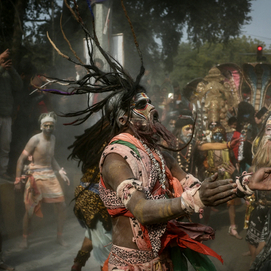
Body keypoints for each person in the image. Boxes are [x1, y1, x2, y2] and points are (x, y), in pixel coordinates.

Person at [14, 112, 70, 249]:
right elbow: (21, 160)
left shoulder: (54, 139)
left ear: (54, 127)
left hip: (50, 175)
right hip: (36, 176)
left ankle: (59, 236)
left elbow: (51, 158)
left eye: (51, 125)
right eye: (46, 125)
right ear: (41, 126)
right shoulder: (35, 140)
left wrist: (60, 171)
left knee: (62, 207)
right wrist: (17, 180)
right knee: (30, 210)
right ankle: (24, 239)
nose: (49, 128)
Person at [0, 48, 23, 180]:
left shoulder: (8, 71)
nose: (5, 61)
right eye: (3, 58)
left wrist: (12, 69)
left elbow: (19, 85)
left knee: (5, 146)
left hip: (6, 114)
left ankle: (2, 171)